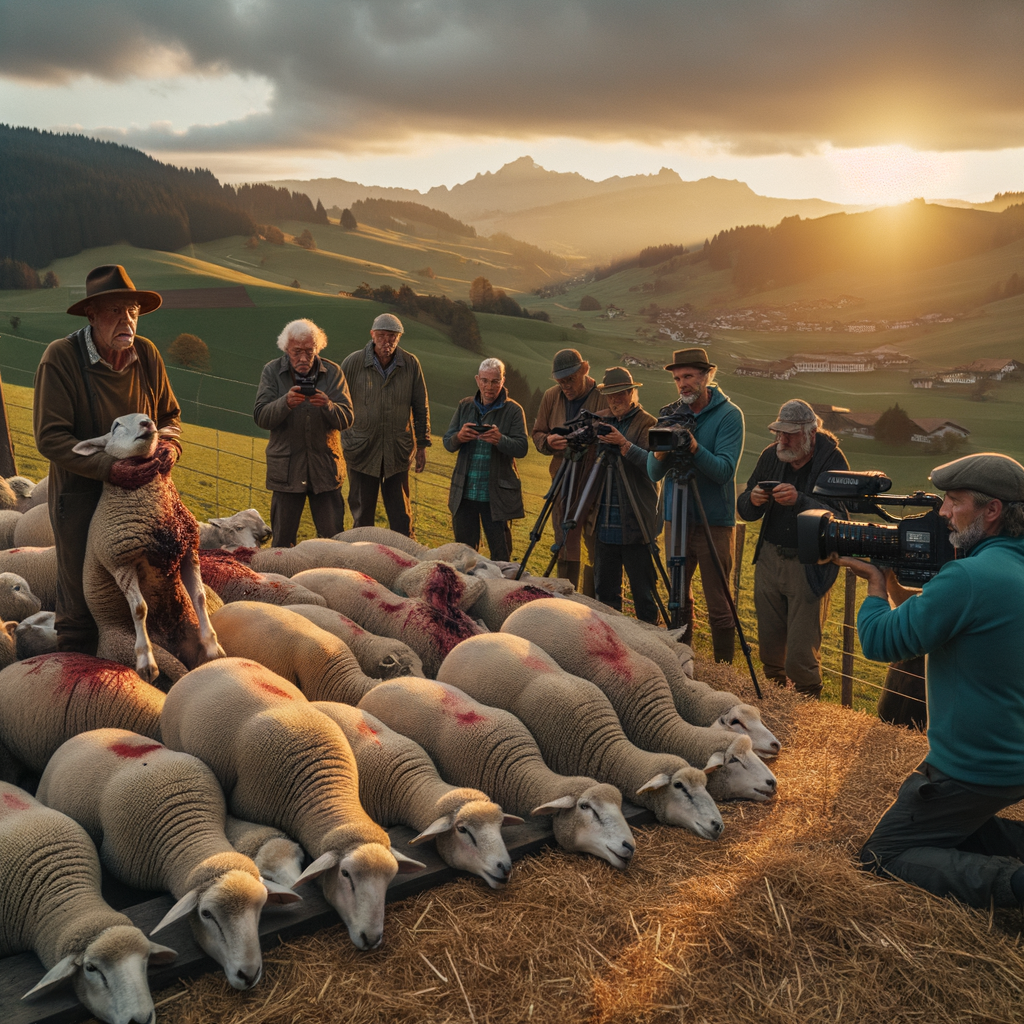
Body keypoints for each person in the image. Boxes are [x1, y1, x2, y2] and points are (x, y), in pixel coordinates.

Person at [841, 452, 1024, 911]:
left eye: (953, 501)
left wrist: (876, 587)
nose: (942, 512)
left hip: (975, 767)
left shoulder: (967, 577)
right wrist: (910, 589)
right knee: (958, 828)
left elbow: (882, 642)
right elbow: (952, 620)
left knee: (881, 856)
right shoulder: (1005, 571)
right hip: (1013, 755)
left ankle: (1015, 886)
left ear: (992, 510)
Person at [33, 264, 181, 654]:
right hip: (82, 496)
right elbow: (51, 437)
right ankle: (77, 677)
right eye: (115, 310)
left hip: (142, 500)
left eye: (131, 310)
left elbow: (168, 417)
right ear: (92, 314)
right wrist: (108, 469)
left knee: (149, 586)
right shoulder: (61, 358)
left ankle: (146, 672)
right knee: (84, 597)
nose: (127, 320)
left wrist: (169, 448)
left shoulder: (146, 355)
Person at [736, 399, 849, 697]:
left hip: (809, 562)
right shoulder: (770, 456)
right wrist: (753, 499)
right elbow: (745, 508)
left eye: (790, 434)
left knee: (801, 649)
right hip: (770, 557)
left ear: (810, 433)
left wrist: (800, 500)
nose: (782, 440)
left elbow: (840, 516)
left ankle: (807, 703)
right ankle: (772, 699)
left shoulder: (832, 460)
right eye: (779, 433)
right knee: (770, 641)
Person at [647, 348, 743, 661]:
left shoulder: (729, 415)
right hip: (676, 515)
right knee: (677, 597)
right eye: (677, 378)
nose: (682, 384)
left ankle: (724, 670)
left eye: (688, 376)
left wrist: (693, 447)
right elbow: (652, 471)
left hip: (713, 519)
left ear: (706, 376)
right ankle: (682, 659)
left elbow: (724, 471)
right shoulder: (670, 412)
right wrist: (664, 448)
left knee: (718, 601)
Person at [253, 318, 353, 548]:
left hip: (325, 471)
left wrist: (328, 405)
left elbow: (347, 418)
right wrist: (285, 403)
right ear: (286, 349)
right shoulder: (272, 371)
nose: (303, 358)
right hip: (286, 473)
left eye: (310, 351)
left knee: (333, 543)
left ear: (318, 349)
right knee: (282, 546)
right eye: (296, 351)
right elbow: (260, 416)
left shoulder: (333, 372)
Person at [340, 313, 430, 537]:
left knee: (401, 517)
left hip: (396, 452)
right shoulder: (353, 363)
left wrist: (422, 445)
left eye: (392, 336)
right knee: (362, 517)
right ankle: (361, 564)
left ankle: (404, 563)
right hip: (361, 450)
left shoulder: (410, 364)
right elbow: (338, 403)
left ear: (398, 338)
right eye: (381, 336)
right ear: (372, 335)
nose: (386, 341)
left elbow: (421, 406)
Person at [531, 348, 607, 595]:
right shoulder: (551, 397)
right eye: (561, 381)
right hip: (563, 479)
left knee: (597, 545)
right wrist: (548, 441)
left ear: (585, 369)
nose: (566, 386)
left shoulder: (603, 396)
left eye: (570, 379)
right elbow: (538, 432)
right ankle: (567, 599)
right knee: (565, 542)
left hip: (598, 483)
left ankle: (594, 602)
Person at [590, 367, 662, 623]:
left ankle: (651, 644)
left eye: (620, 394)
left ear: (632, 393)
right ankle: (614, 648)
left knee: (644, 594)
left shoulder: (648, 423)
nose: (615, 400)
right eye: (610, 396)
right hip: (605, 516)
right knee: (606, 594)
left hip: (636, 519)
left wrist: (624, 444)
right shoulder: (601, 421)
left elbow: (653, 467)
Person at [442, 358, 528, 560]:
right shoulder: (465, 406)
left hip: (495, 497)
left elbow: (522, 448)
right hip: (465, 494)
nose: (489, 387)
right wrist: (459, 437)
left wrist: (500, 440)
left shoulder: (514, 410)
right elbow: (447, 442)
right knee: (464, 556)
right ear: (477, 380)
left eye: (495, 381)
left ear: (503, 381)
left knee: (501, 556)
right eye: (485, 380)